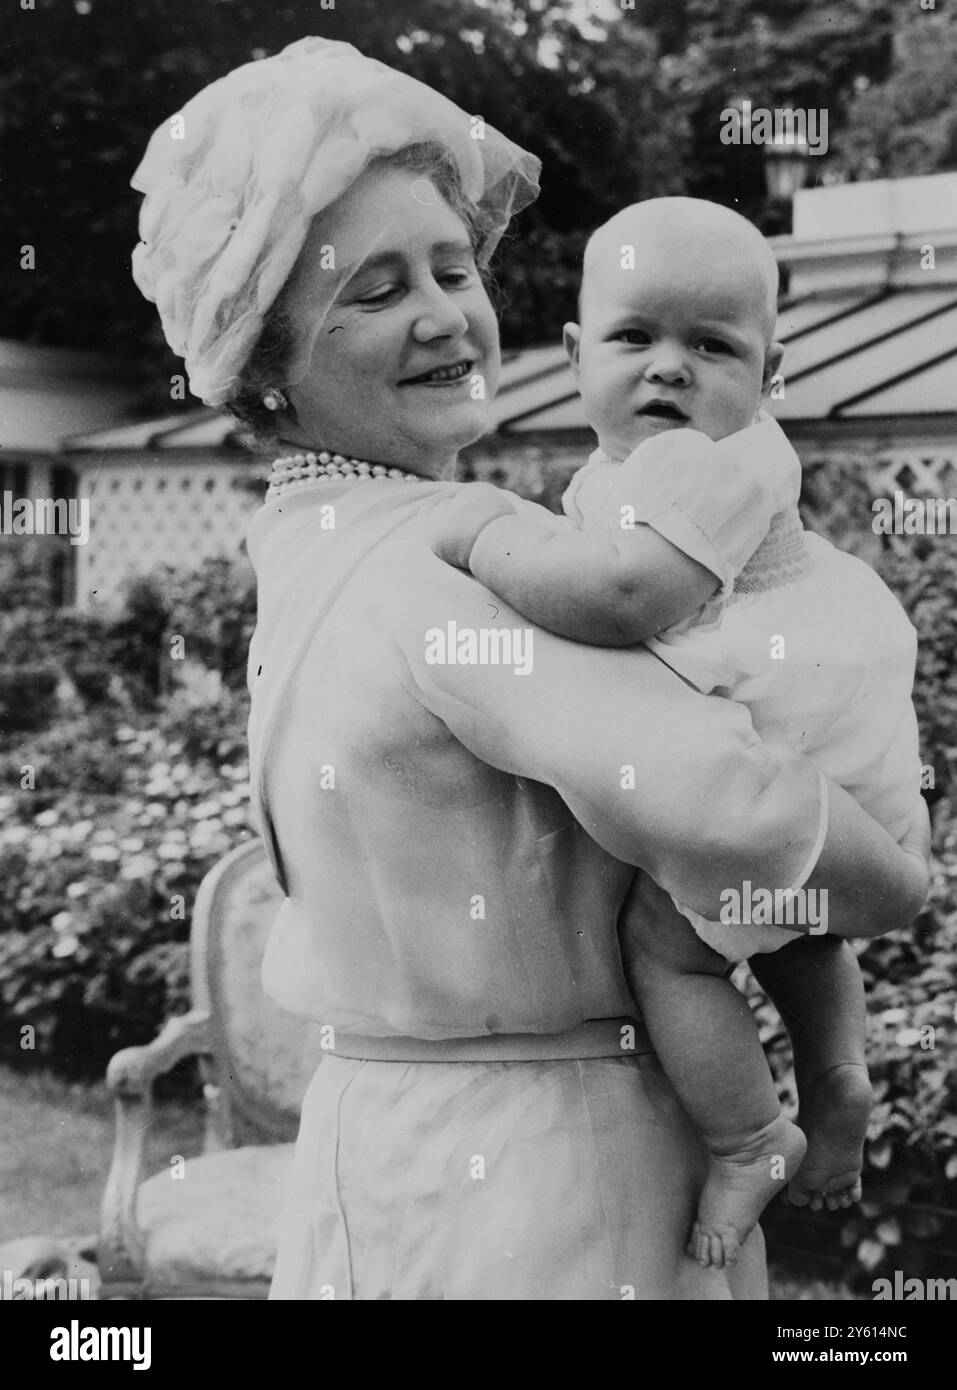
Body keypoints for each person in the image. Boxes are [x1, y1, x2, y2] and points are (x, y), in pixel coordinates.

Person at [130, 38, 929, 1300]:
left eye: (453, 267)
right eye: (375, 289)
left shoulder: (306, 549)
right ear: (268, 369)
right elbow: (723, 797)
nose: (447, 314)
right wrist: (899, 884)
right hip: (543, 1186)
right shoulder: (447, 565)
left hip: (384, 1147)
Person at [431, 197, 928, 1269]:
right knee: (801, 925)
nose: (669, 369)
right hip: (829, 725)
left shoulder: (719, 461)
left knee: (672, 954)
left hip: (782, 710)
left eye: (711, 345)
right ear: (574, 354)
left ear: (769, 372)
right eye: (634, 337)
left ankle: (749, 1137)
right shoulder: (645, 468)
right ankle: (837, 1072)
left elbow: (622, 600)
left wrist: (486, 540)